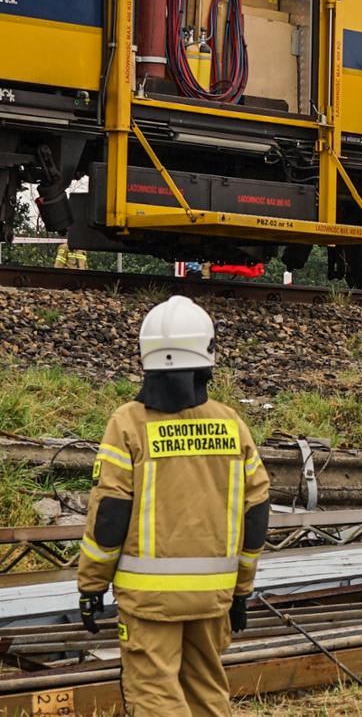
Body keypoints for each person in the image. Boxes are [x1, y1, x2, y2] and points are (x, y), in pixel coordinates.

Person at [75, 296, 270, 715]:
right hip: (213, 598)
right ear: (207, 354)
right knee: (207, 694)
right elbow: (256, 512)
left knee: (154, 695)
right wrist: (242, 591)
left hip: (149, 603)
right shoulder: (231, 424)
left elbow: (109, 515)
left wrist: (91, 585)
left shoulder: (128, 424)